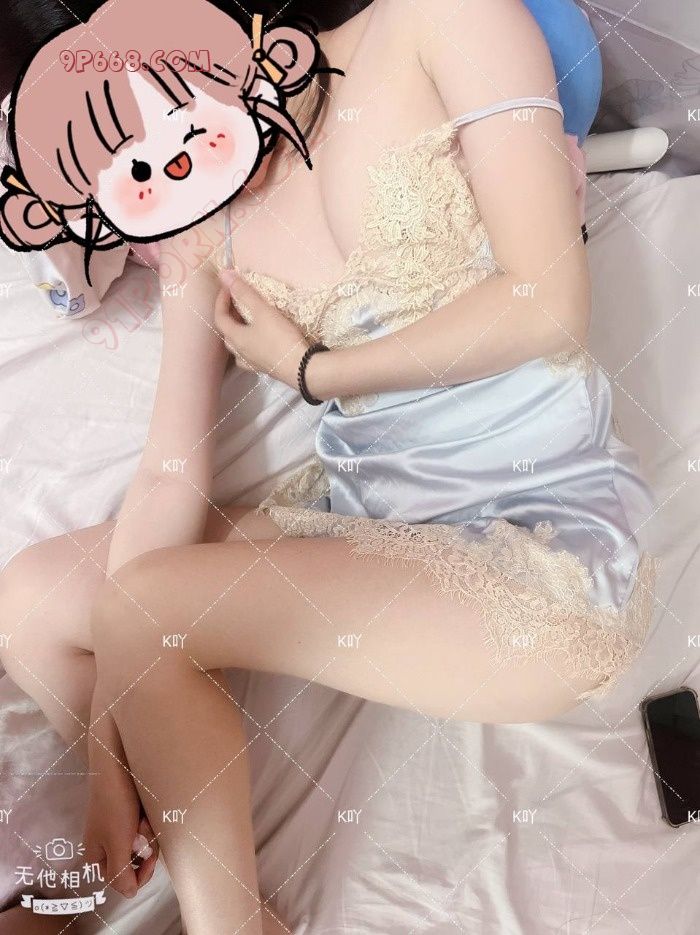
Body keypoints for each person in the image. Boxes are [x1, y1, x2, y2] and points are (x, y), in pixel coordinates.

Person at [0, 0, 656, 932]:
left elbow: (547, 303)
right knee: (31, 602)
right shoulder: (194, 199)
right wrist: (106, 760)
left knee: (147, 610)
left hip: (543, 544)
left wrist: (312, 370)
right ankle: (176, 871)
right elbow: (169, 473)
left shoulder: (442, 20)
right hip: (361, 526)